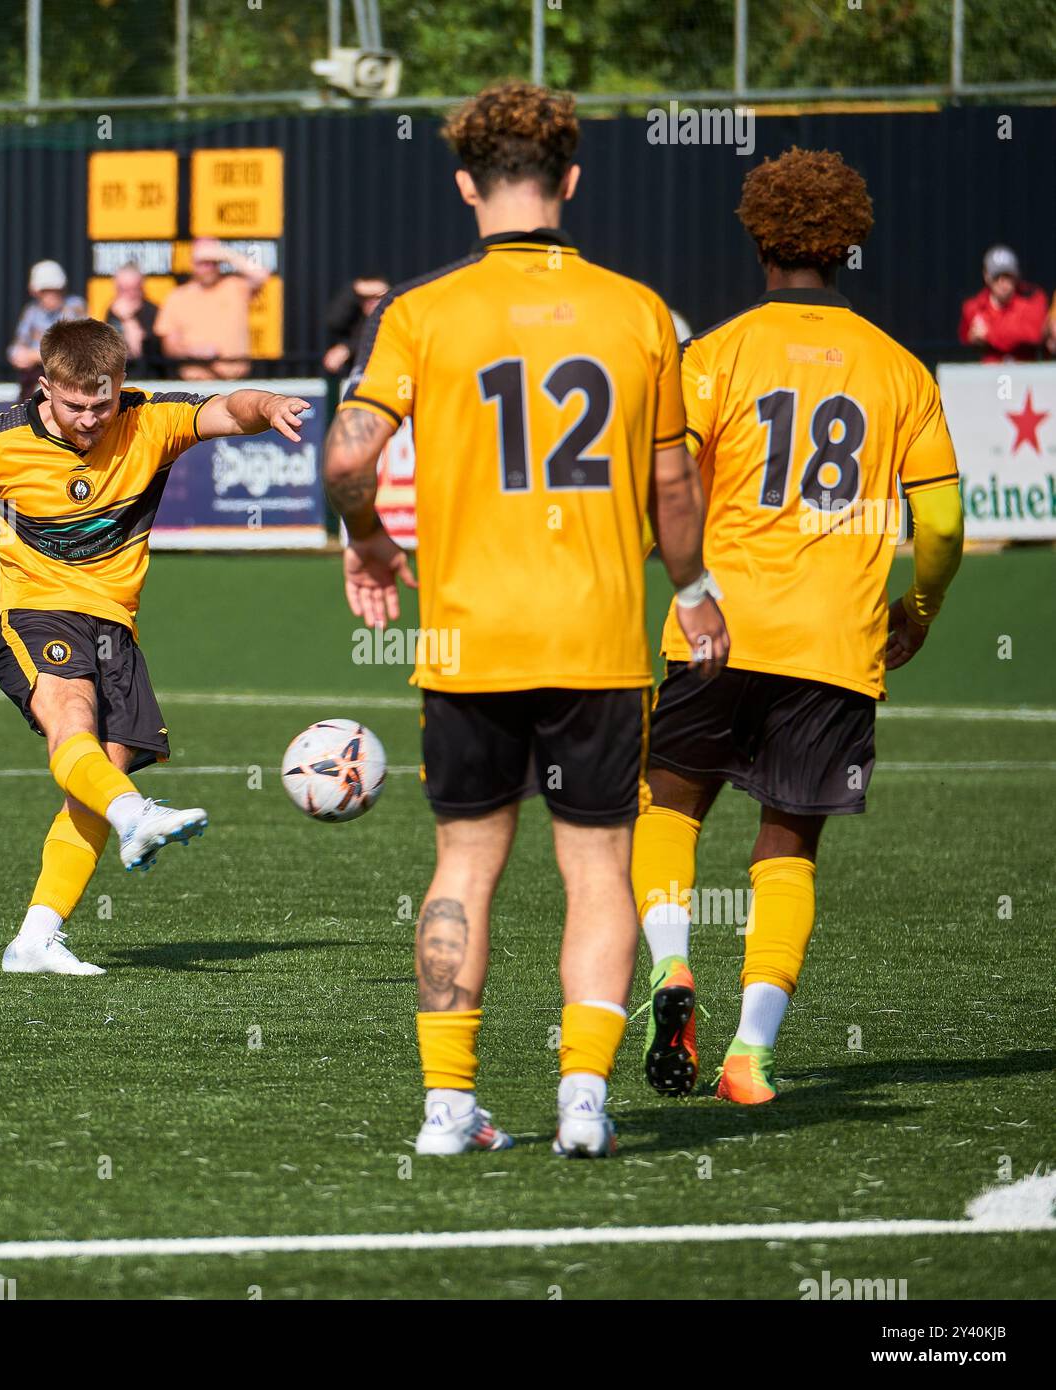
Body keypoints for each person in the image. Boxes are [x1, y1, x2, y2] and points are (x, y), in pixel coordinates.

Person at [322, 80, 727, 1159]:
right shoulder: (639, 311)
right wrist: (691, 592)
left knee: (463, 864)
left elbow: (346, 456)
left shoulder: (418, 312)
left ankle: (448, 1107)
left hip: (466, 640)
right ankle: (583, 1102)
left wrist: (366, 539)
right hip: (598, 637)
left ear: (464, 183)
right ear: (571, 181)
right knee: (597, 870)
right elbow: (674, 492)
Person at [631, 147, 965, 1106]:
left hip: (715, 630)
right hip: (834, 646)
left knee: (668, 808)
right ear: (851, 242)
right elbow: (940, 522)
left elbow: (673, 488)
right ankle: (750, 1055)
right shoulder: (901, 371)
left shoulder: (717, 356)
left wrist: (666, 571)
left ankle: (671, 967)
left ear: (757, 235)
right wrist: (920, 611)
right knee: (788, 845)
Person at [0, 319, 310, 976]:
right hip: (33, 612)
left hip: (115, 628)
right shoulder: (1, 441)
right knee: (71, 719)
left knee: (95, 775)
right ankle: (135, 816)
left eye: (104, 402)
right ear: (46, 387)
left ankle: (35, 938)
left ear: (121, 385)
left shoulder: (152, 421)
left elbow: (228, 410)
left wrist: (268, 405)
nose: (92, 418)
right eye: (76, 406)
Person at [154, 239, 270, 381]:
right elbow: (169, 347)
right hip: (196, 386)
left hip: (237, 382)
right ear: (192, 264)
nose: (208, 268)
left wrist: (226, 254)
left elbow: (261, 275)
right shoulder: (177, 297)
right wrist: (194, 352)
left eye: (213, 262)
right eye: (203, 263)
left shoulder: (234, 287)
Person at [8, 260, 87, 394]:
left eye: (55, 291)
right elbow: (17, 346)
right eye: (45, 291)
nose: (51, 296)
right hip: (35, 379)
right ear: (35, 292)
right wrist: (19, 355)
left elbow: (79, 349)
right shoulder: (31, 311)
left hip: (69, 383)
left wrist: (35, 356)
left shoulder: (75, 308)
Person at [958, 245, 1047, 363]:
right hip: (987, 375)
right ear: (987, 277)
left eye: (1008, 277)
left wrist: (989, 333)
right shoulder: (974, 307)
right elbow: (964, 339)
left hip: (1025, 373)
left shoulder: (1032, 298)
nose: (1003, 283)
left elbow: (1035, 333)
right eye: (997, 277)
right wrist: (972, 338)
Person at [323, 274, 391, 378]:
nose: (371, 301)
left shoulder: (396, 322)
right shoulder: (356, 322)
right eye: (364, 297)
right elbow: (335, 321)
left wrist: (348, 348)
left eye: (378, 297)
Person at [104, 263, 165, 379]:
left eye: (133, 288)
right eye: (122, 289)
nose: (129, 294)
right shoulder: (112, 311)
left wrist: (128, 319)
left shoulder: (153, 312)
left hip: (147, 380)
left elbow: (138, 351)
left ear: (141, 287)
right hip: (119, 378)